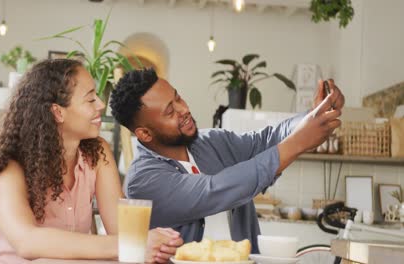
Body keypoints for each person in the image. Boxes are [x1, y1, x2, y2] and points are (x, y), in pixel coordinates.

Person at [0, 59, 183, 263]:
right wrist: (130, 245)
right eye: (90, 99)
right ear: (57, 112)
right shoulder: (10, 165)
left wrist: (154, 245)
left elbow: (121, 232)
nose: (100, 104)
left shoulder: (97, 154)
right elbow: (27, 241)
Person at [109, 68, 345, 253]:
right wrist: (299, 142)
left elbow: (267, 139)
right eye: (170, 111)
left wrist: (314, 115)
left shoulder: (212, 141)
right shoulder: (142, 182)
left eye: (178, 97)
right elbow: (216, 190)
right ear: (145, 134)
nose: (183, 109)